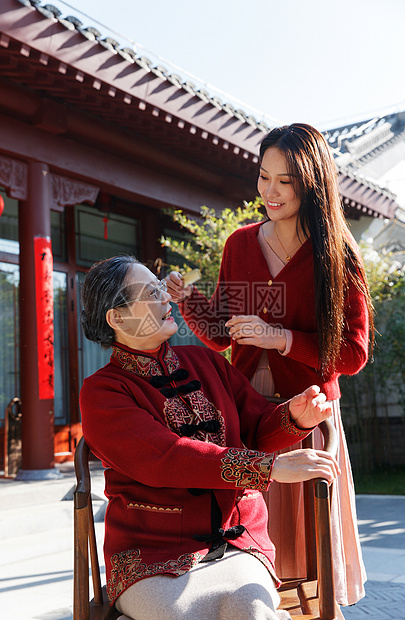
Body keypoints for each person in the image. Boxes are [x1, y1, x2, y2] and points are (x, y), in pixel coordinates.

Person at [166, 122, 373, 607]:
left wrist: (281, 338)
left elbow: (353, 353)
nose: (270, 192)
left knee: (310, 567)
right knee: (253, 565)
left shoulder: (337, 255)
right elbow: (221, 334)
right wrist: (188, 300)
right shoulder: (239, 245)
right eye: (264, 177)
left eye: (286, 181)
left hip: (308, 419)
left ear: (312, 183)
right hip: (249, 419)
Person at [79, 254, 340, 620]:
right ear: (117, 318)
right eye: (151, 292)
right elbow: (166, 457)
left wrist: (295, 416)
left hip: (237, 539)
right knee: (185, 615)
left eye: (161, 289)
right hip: (149, 553)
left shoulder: (208, 362)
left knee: (251, 610)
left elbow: (256, 427)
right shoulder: (103, 392)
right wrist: (267, 469)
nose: (167, 298)